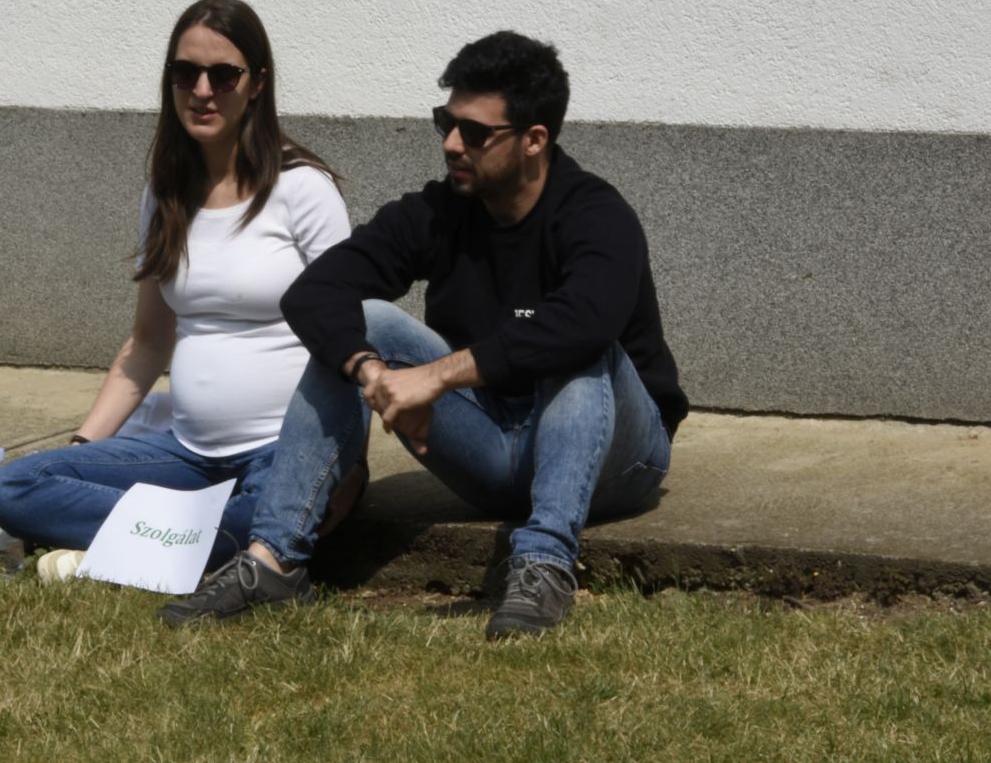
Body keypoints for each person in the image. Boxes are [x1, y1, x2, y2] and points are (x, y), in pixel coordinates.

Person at [160, 31, 686, 639]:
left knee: (577, 347)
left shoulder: (596, 215)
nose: (452, 143)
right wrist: (374, 374)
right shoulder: (441, 210)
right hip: (494, 449)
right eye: (446, 122)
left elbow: (583, 324)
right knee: (369, 322)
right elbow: (314, 291)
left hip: (615, 459)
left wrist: (434, 377)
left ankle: (543, 564)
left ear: (535, 139)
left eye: (475, 132)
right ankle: (273, 561)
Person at [0, 0, 351, 571]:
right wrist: (84, 447)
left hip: (281, 452)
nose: (202, 91)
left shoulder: (303, 189)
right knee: (13, 488)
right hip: (188, 457)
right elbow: (148, 343)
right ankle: (182, 544)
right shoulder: (166, 193)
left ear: (257, 84)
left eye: (223, 75)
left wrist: (343, 459)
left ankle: (139, 543)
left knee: (261, 515)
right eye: (185, 73)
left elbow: (351, 334)